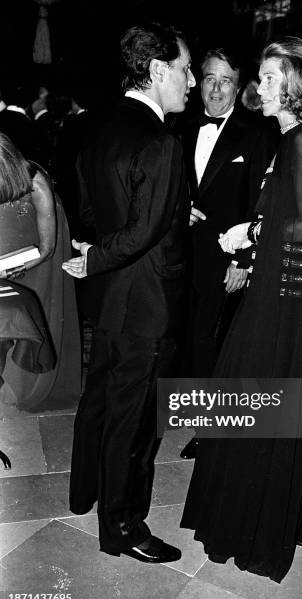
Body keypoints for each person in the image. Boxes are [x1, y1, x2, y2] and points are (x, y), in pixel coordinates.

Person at [181, 36, 302, 583]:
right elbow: (293, 222)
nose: (259, 87)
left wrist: (256, 247)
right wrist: (252, 231)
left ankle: (249, 527)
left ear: (295, 84)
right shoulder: (295, 137)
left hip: (279, 305)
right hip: (276, 295)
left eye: (270, 78)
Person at [62, 23, 195, 564]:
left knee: (98, 401)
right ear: (158, 69)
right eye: (185, 69)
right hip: (147, 304)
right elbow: (141, 230)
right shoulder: (162, 141)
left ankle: (82, 494)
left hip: (108, 295)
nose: (189, 80)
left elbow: (92, 209)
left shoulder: (92, 126)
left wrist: (97, 252)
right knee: (134, 423)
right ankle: (121, 528)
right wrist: (100, 253)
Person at [179, 47, 279, 459]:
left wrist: (244, 260)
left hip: (226, 258)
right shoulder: (179, 125)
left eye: (226, 81)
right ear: (198, 80)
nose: (216, 89)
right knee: (187, 340)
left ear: (240, 88)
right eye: (209, 78)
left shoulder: (257, 133)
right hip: (179, 254)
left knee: (212, 342)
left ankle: (210, 429)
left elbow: (262, 201)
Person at [0, 132, 81, 412]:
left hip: (39, 249)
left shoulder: (36, 182)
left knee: (40, 308)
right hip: (10, 241)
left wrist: (21, 265)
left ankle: (33, 382)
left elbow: (47, 247)